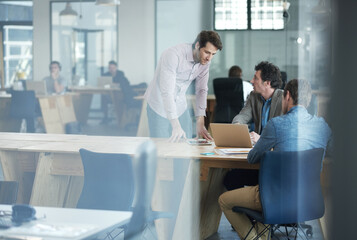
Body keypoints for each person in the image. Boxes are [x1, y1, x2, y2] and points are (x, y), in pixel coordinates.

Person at [218, 79, 332, 240]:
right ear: (309, 100)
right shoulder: (323, 127)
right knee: (263, 193)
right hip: (308, 197)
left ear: (287, 96)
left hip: (274, 195)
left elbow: (252, 158)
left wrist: (267, 147)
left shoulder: (276, 124)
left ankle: (254, 239)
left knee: (224, 200)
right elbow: (330, 151)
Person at [144, 30, 223, 142]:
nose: (209, 58)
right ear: (197, 45)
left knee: (186, 147)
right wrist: (176, 126)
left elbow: (201, 90)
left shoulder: (205, 62)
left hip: (180, 105)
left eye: (213, 54)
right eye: (207, 52)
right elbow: (167, 92)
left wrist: (200, 122)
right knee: (161, 149)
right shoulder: (173, 55)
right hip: (159, 105)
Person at [224, 61, 284, 190]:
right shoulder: (253, 96)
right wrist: (237, 125)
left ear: (267, 83)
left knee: (233, 178)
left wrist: (262, 140)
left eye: (256, 78)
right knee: (230, 178)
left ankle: (255, 205)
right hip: (256, 156)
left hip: (274, 162)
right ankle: (244, 207)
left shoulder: (284, 100)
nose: (251, 81)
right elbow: (243, 115)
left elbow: (284, 136)